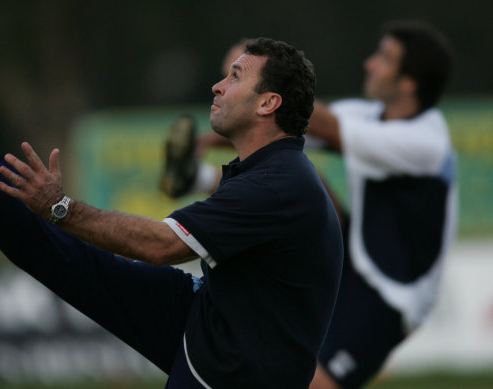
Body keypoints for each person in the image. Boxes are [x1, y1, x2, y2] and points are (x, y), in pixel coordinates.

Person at [0, 37, 343, 388]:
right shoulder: (271, 171)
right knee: (70, 262)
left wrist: (61, 207)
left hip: (236, 373)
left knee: (71, 254)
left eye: (234, 76)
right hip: (215, 321)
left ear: (267, 104)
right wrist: (57, 210)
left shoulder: (277, 184)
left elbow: (159, 245)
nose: (218, 86)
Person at [160, 21, 457, 389]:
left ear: (409, 82)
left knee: (318, 384)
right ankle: (197, 180)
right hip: (353, 256)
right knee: (293, 174)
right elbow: (288, 128)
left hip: (392, 294)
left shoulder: (426, 141)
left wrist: (263, 76)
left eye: (385, 58)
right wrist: (207, 143)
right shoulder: (368, 116)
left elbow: (316, 122)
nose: (370, 64)